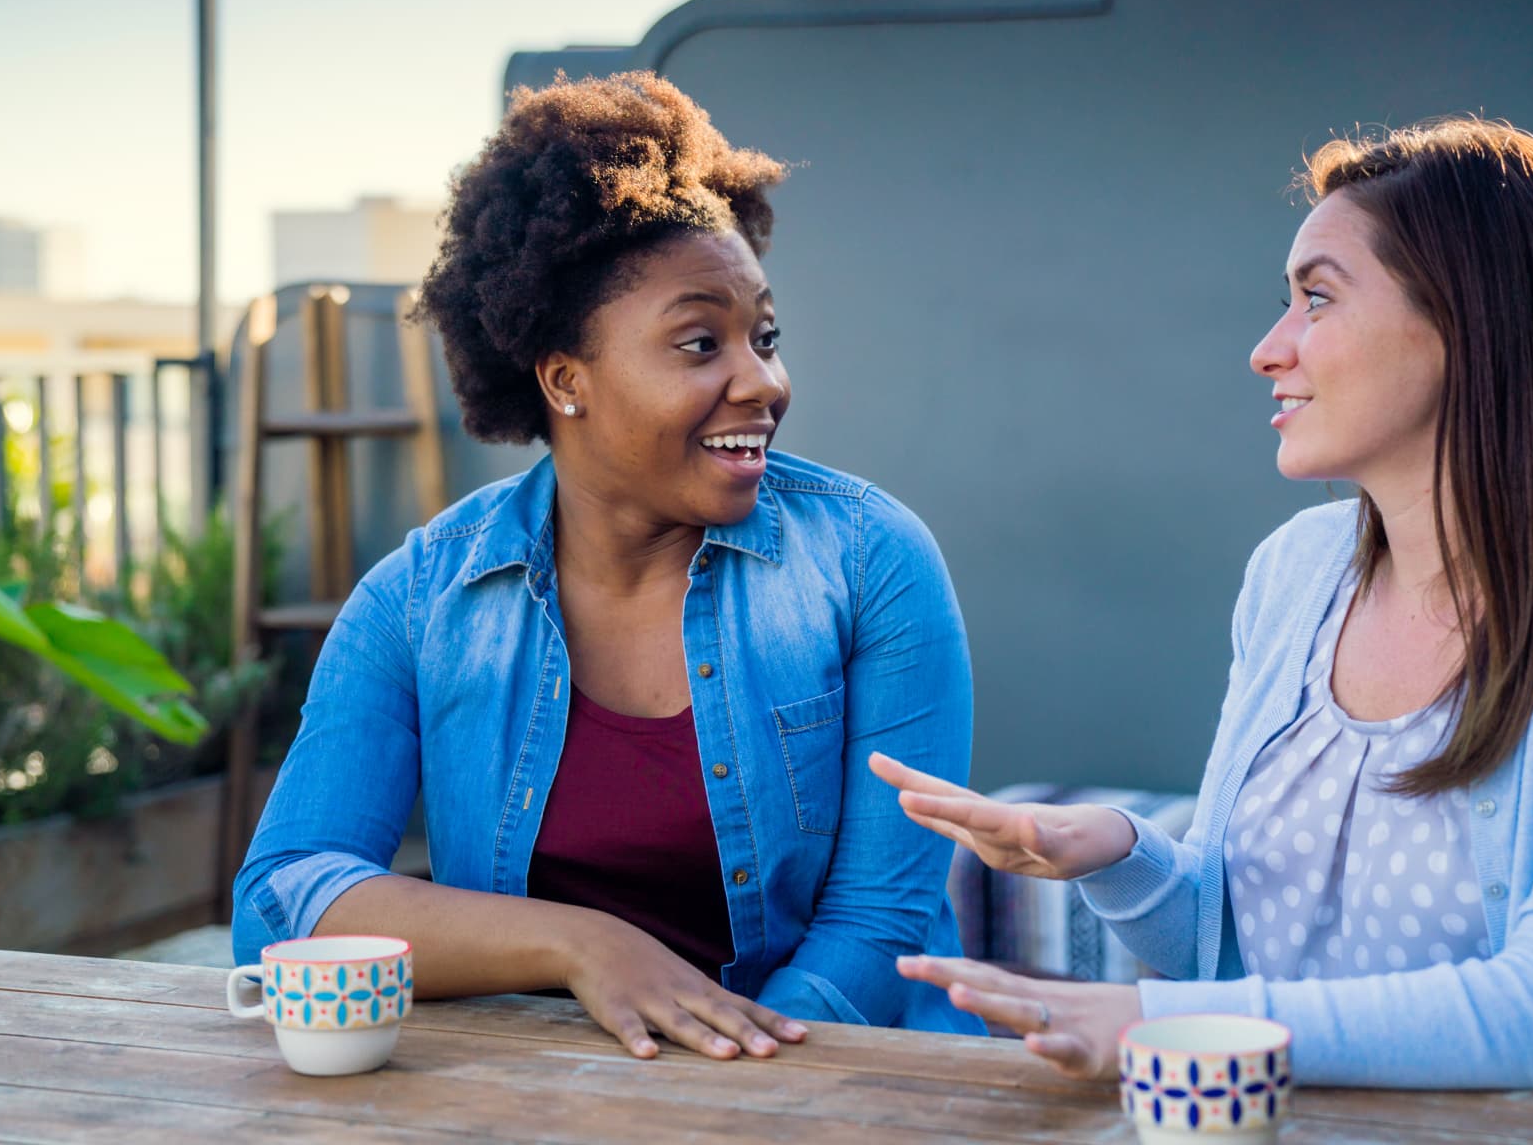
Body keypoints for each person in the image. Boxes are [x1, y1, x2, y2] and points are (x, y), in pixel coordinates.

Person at [874, 117, 1533, 1109]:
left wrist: (1148, 1027)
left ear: (1472, 322)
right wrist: (1115, 854)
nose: (1267, 348)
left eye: (1316, 299)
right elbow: (1231, 948)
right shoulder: (1296, 574)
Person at [233, 71, 984, 1060]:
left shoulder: (868, 562)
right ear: (565, 380)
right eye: (700, 342)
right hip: (554, 1093)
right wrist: (581, 946)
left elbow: (879, 924)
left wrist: (723, 1085)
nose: (761, 382)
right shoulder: (421, 599)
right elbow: (281, 900)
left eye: (764, 337)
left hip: (829, 1084)